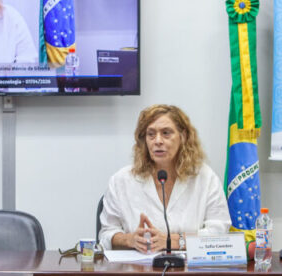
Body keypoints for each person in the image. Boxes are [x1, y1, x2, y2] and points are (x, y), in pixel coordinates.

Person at [99, 104, 230, 253]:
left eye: (166, 133)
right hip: (138, 271)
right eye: (151, 134)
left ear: (183, 136)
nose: (158, 141)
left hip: (189, 272)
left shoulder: (205, 178)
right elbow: (106, 235)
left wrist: (172, 241)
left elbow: (220, 232)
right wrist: (130, 239)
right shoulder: (121, 180)